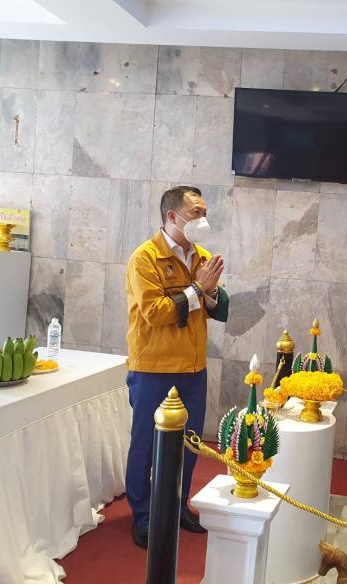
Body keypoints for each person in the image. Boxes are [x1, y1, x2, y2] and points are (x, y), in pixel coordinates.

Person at [124, 185, 229, 549]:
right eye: (196, 213)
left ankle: (177, 506)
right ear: (172, 216)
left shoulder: (202, 256)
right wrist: (198, 289)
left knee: (190, 443)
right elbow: (155, 313)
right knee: (146, 444)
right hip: (154, 367)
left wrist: (211, 293)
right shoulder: (145, 258)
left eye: (204, 213)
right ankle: (143, 516)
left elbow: (213, 307)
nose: (203, 219)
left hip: (193, 368)